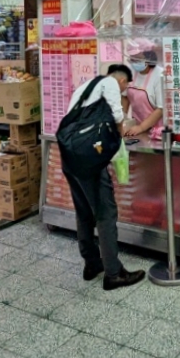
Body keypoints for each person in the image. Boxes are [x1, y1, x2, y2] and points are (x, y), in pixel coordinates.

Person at [63, 64, 145, 291]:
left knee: (84, 212)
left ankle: (91, 264)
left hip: (69, 154)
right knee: (106, 214)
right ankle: (113, 274)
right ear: (121, 81)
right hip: (89, 159)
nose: (124, 91)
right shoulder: (109, 84)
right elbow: (118, 118)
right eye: (126, 86)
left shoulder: (85, 88)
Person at [124, 39, 164, 137]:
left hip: (156, 130)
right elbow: (125, 97)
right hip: (136, 126)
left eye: (138, 59)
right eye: (132, 59)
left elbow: (161, 109)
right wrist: (123, 121)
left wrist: (141, 127)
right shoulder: (131, 71)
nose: (134, 63)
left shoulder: (159, 75)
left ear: (149, 57)